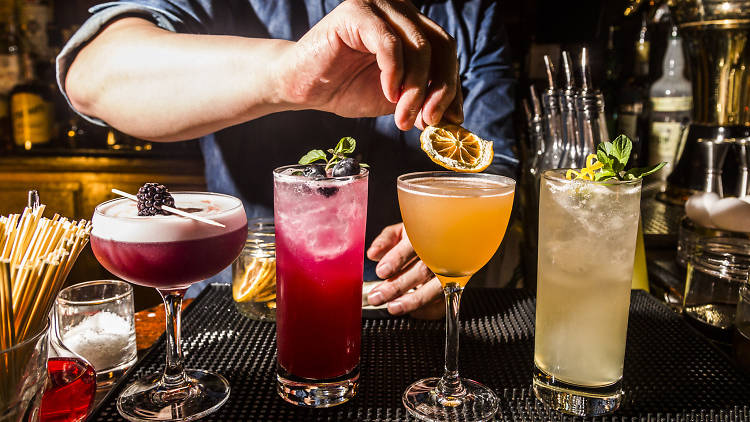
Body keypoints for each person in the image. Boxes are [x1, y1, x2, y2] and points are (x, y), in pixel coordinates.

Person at [58, 0, 517, 317]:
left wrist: (453, 235)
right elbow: (92, 78)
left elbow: (493, 168)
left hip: (394, 302)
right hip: (239, 302)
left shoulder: (470, 12)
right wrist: (288, 75)